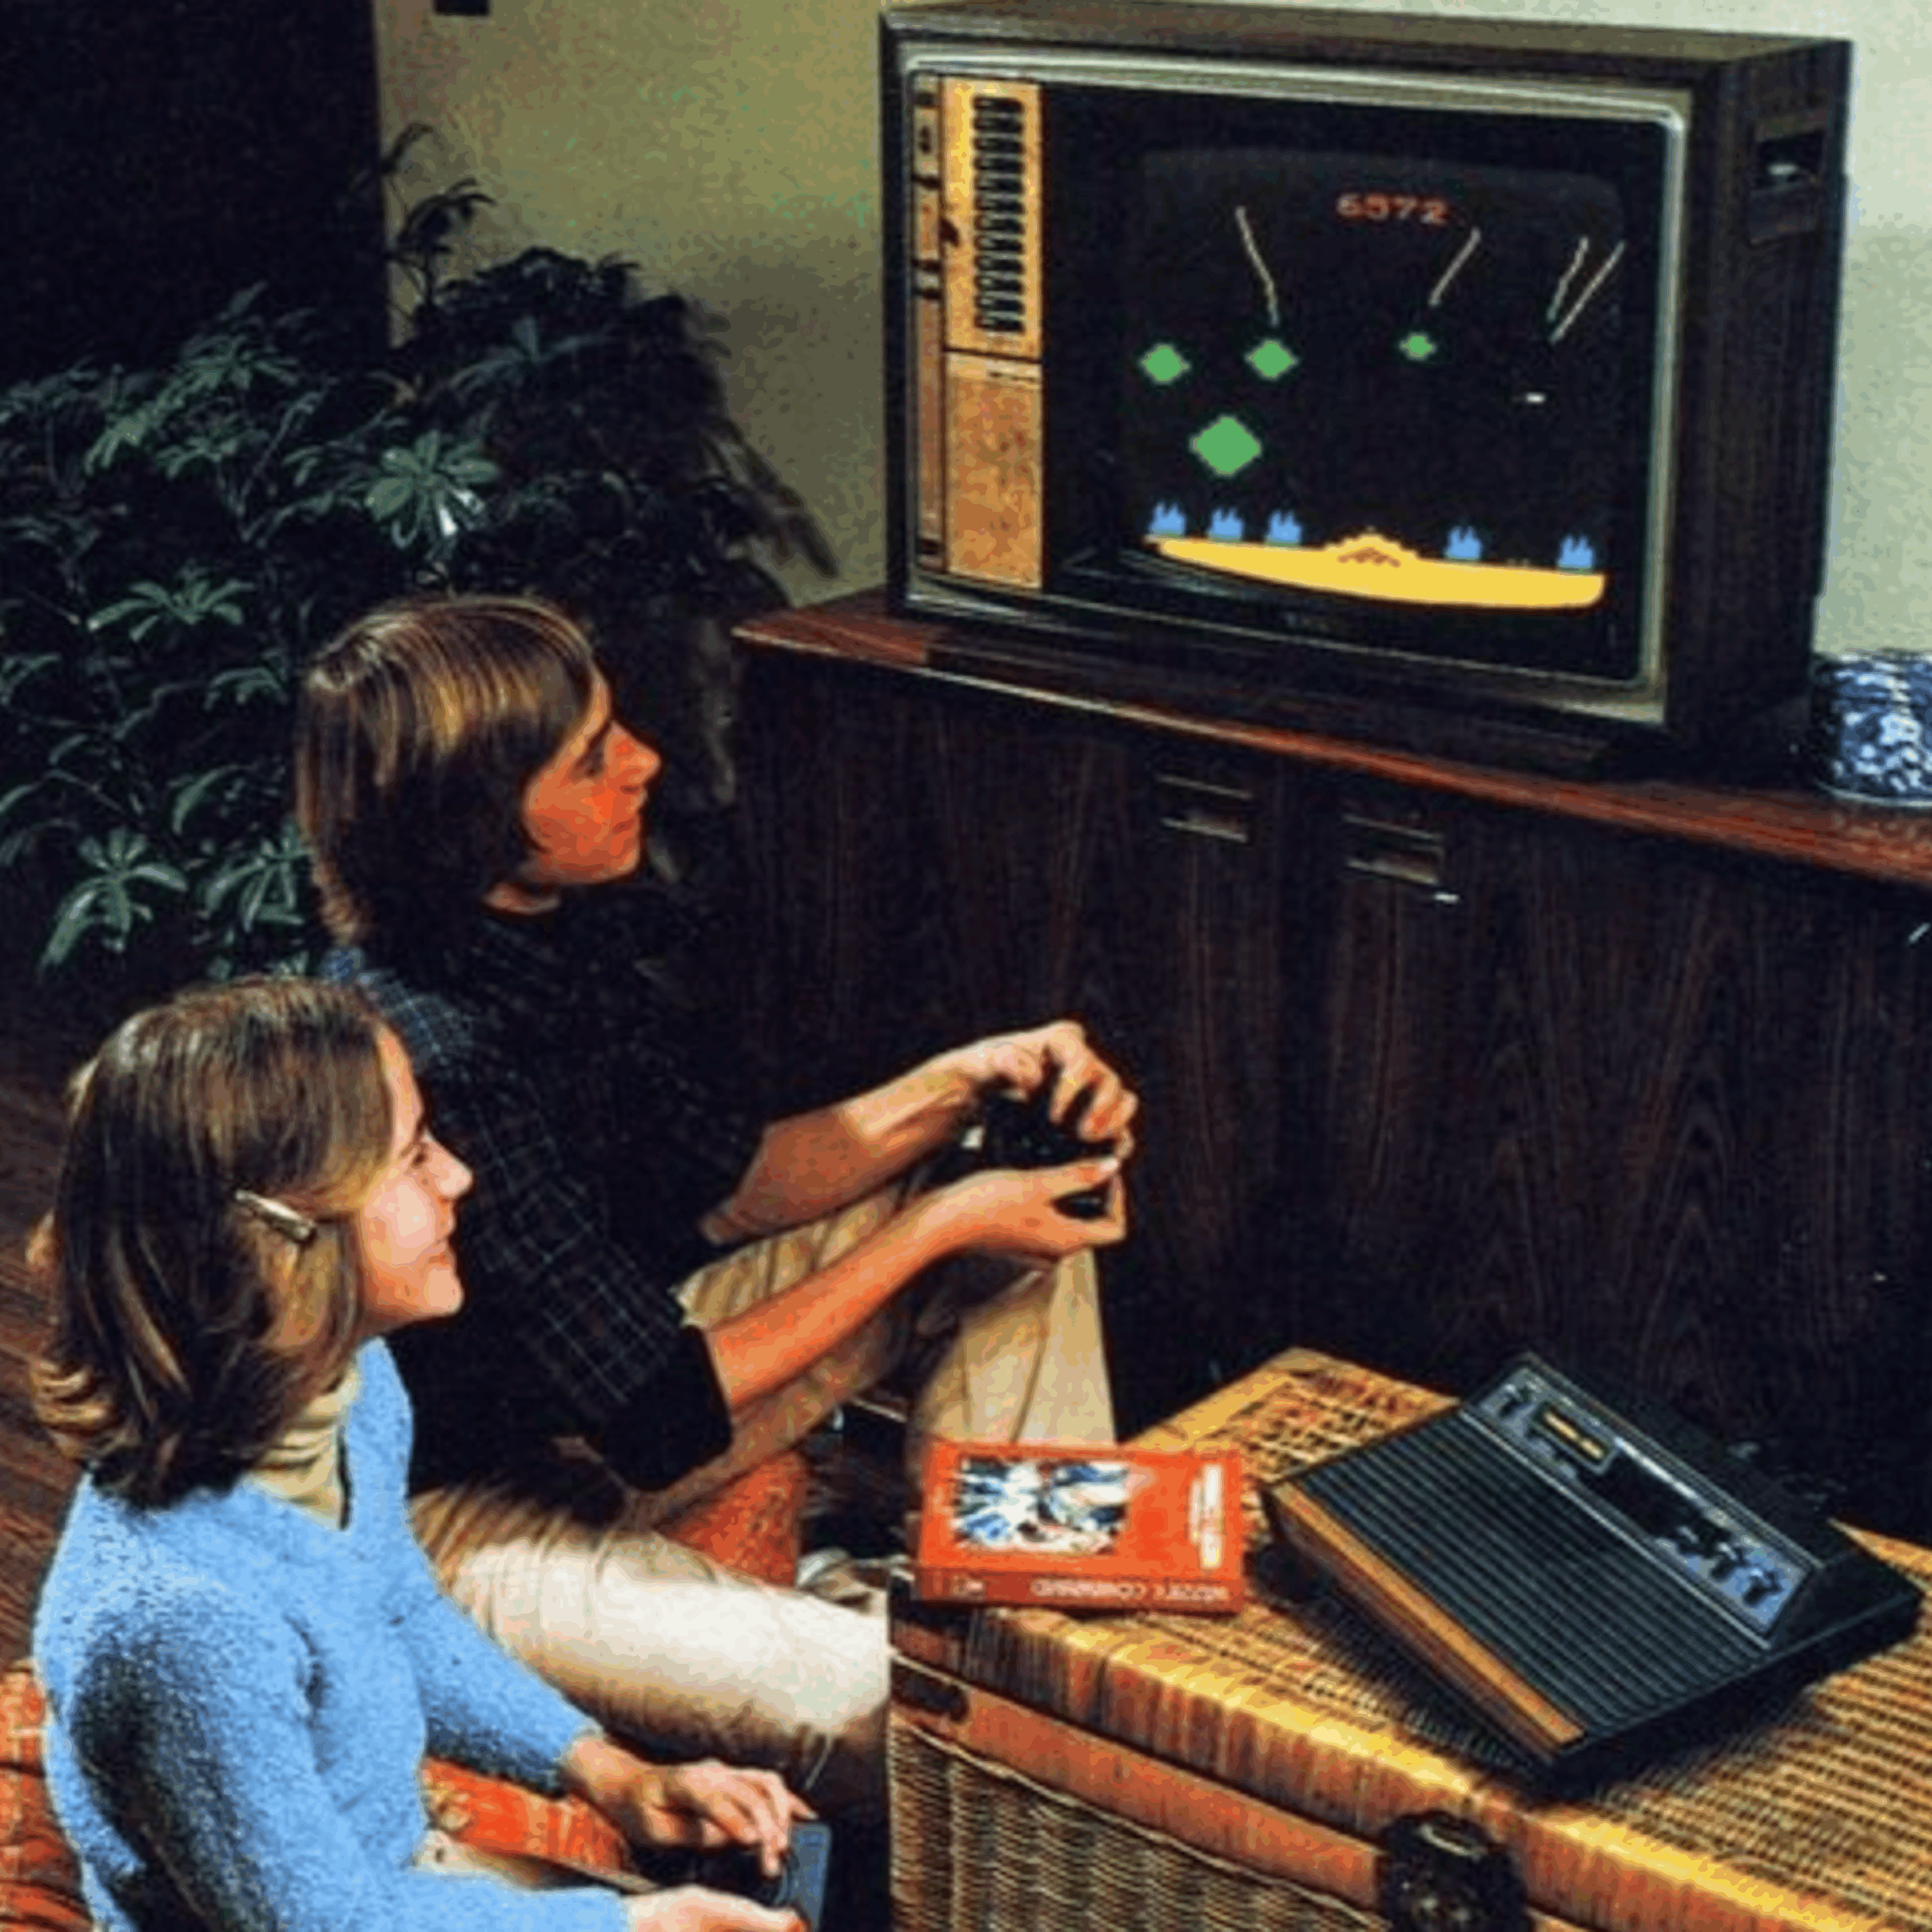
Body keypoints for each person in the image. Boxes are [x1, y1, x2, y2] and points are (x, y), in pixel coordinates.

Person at [293, 592, 1137, 1821]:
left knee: (1001, 1201)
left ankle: (1039, 1616)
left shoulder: (546, 930)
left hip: (603, 1402)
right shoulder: (431, 1047)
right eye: (592, 759)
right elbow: (660, 1416)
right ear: (477, 820)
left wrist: (970, 1082)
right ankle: (961, 1660)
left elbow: (732, 1188)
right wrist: (936, 1232)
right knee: (914, 1713)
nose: (643, 760)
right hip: (458, 1516)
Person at [31, 976, 814, 1932]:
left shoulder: (349, 1383)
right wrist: (634, 1926)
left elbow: (397, 1607)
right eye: (410, 1157)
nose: (457, 1176)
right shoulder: (180, 1625)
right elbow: (333, 1927)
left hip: (390, 1883)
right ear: (280, 1244)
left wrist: (607, 1773)